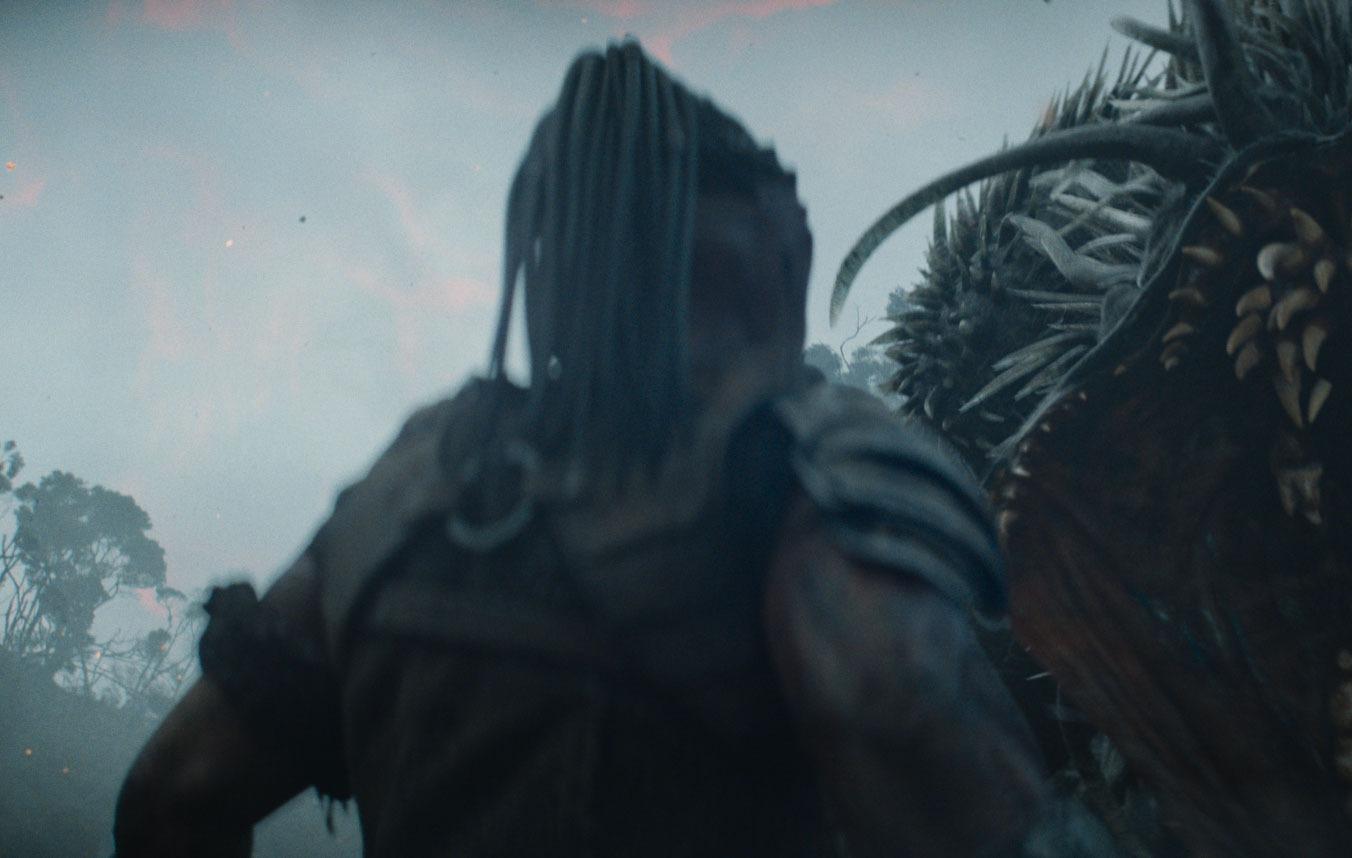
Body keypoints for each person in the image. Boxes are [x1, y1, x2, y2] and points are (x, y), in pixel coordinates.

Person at [113, 41, 1108, 857]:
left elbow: (173, 795)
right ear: (754, 251)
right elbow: (891, 704)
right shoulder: (795, 461)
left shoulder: (406, 492)